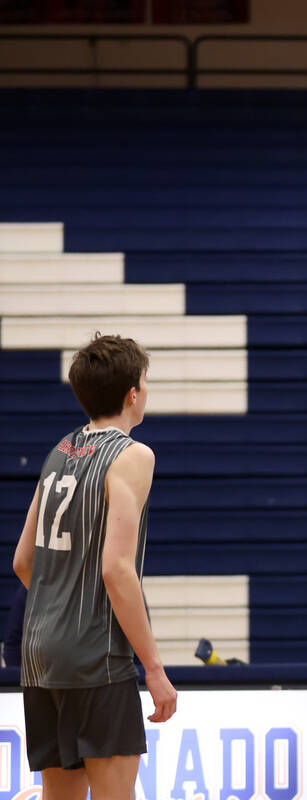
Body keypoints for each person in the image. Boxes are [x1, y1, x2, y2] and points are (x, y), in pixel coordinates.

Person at [12, 333, 177, 800]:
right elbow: (117, 570)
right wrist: (155, 668)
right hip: (95, 661)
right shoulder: (133, 455)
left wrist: (62, 606)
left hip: (40, 656)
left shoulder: (58, 452)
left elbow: (24, 561)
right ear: (132, 393)